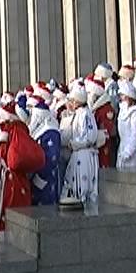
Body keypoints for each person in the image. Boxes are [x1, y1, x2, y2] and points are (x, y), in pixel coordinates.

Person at [0, 102, 45, 239]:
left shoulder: (9, 133)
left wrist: (0, 142)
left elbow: (7, 158)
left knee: (10, 217)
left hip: (12, 183)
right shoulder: (20, 131)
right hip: (20, 181)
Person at [61, 82, 99, 212]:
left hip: (84, 155)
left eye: (72, 101)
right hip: (78, 154)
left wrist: (75, 143)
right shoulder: (78, 113)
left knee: (84, 186)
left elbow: (89, 137)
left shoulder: (86, 114)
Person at [27, 97, 61, 205]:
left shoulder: (51, 132)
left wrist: (40, 178)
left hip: (45, 179)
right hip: (36, 178)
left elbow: (51, 158)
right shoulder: (38, 131)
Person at [116, 80, 136, 170]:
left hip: (133, 151)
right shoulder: (122, 110)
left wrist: (128, 152)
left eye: (122, 95)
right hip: (123, 147)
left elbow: (135, 134)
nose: (121, 98)